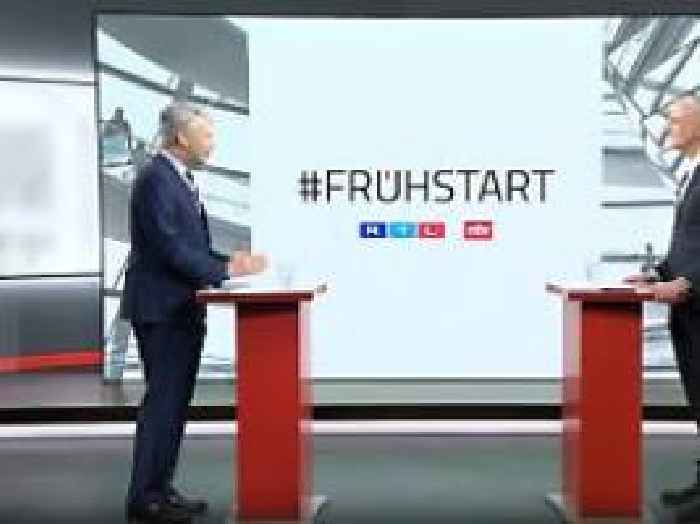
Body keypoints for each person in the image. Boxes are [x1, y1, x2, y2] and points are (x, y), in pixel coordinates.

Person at [121, 102, 266, 523]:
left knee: (173, 406)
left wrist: (229, 263)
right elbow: (169, 247)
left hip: (180, 308)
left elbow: (191, 248)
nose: (212, 145)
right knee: (163, 405)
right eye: (207, 136)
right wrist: (222, 271)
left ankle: (160, 489)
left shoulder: (178, 179)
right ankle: (145, 498)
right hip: (162, 309)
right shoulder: (155, 179)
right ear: (181, 137)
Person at [624, 93, 700, 511]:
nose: (666, 127)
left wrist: (690, 283)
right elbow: (689, 244)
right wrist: (659, 275)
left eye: (673, 119)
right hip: (687, 311)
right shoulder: (690, 173)